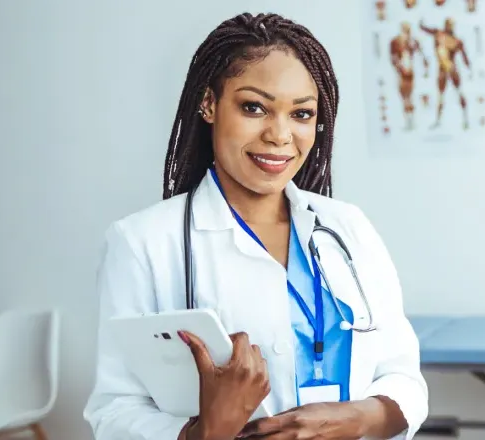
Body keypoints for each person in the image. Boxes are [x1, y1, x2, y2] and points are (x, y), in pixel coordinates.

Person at [83, 12, 429, 440]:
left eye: (301, 114)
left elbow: (403, 378)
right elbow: (113, 412)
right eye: (254, 108)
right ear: (209, 104)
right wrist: (208, 431)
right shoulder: (142, 244)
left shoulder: (347, 226)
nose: (280, 136)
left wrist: (360, 418)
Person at [419, 18, 472, 130]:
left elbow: (464, 56)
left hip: (452, 69)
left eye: (452, 25)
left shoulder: (457, 41)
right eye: (450, 24)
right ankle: (438, 120)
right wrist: (421, 24)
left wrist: (469, 68)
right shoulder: (439, 34)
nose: (451, 27)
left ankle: (465, 118)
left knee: (459, 92)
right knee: (441, 96)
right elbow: (427, 30)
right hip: (442, 70)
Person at [390, 22, 428, 131]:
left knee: (408, 97)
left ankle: (411, 120)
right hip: (401, 72)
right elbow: (393, 57)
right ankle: (408, 120)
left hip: (409, 72)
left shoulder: (411, 42)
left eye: (408, 30)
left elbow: (420, 52)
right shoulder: (396, 42)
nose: (407, 33)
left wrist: (424, 62)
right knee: (404, 97)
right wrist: (398, 66)